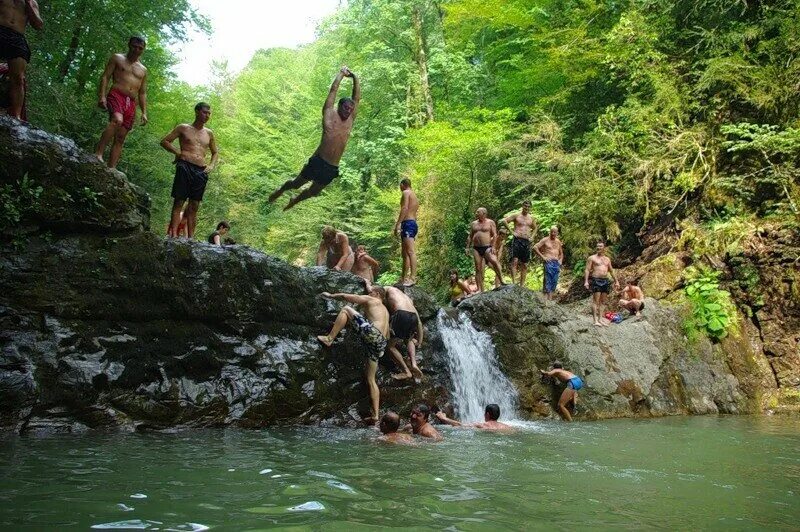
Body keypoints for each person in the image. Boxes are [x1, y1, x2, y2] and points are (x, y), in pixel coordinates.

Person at [268, 66, 360, 211]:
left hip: (332, 167)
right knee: (296, 184)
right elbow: (333, 91)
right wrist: (341, 74)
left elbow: (356, 98)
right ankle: (281, 190)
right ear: (339, 106)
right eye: (346, 108)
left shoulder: (350, 121)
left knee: (314, 192)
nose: (349, 111)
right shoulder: (329, 113)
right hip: (319, 161)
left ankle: (295, 200)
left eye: (351, 109)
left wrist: (355, 78)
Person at [317, 287, 389, 423]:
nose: (368, 293)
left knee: (346, 309)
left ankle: (329, 338)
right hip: (381, 343)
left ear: (377, 294)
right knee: (371, 379)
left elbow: (347, 296)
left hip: (373, 334)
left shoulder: (373, 299)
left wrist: (331, 295)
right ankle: (376, 415)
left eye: (371, 292)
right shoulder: (385, 310)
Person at [162, 102, 219, 239]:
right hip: (185, 165)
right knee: (179, 201)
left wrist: (211, 166)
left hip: (201, 170)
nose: (207, 116)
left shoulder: (209, 133)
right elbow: (165, 141)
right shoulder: (183, 128)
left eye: (209, 113)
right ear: (197, 112)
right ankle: (174, 235)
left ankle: (191, 238)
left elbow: (215, 152)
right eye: (205, 112)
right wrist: (177, 152)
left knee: (194, 205)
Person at [93, 36, 149, 168]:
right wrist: (102, 96)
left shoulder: (143, 69)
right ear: (129, 45)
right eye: (135, 46)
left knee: (121, 136)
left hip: (131, 102)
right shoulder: (117, 58)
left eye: (140, 48)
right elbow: (105, 76)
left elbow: (142, 92)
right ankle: (98, 153)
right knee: (117, 120)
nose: (137, 50)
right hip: (116, 94)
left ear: (143, 50)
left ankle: (111, 168)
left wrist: (144, 112)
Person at [0, 0, 42, 120]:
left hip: (17, 37)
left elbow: (38, 24)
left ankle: (17, 117)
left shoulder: (32, 2)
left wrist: (29, 5)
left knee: (18, 78)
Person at [383, 285, 424, 381]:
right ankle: (414, 364)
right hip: (412, 316)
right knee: (408, 339)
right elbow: (419, 323)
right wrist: (419, 341)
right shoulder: (408, 299)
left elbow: (377, 295)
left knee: (390, 346)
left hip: (401, 314)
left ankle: (406, 371)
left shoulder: (388, 289)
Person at [465, 208, 506, 293]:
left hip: (487, 247)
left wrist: (493, 247)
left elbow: (495, 234)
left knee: (494, 261)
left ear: (483, 213)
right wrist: (467, 247)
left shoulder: (490, 222)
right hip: (476, 248)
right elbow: (470, 236)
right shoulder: (474, 224)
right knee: (478, 268)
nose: (476, 213)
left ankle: (501, 280)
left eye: (478, 212)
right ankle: (480, 289)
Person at [501, 200, 536, 287]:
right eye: (525, 206)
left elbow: (535, 228)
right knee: (515, 261)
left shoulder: (531, 218)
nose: (526, 208)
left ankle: (522, 285)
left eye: (528, 206)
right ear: (522, 206)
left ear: (530, 207)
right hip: (517, 240)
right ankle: (513, 283)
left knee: (524, 264)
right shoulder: (516, 215)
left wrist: (532, 237)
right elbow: (504, 221)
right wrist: (511, 231)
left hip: (526, 241)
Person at [584, 241, 619, 326]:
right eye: (597, 246)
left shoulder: (607, 259)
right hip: (596, 280)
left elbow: (611, 271)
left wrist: (616, 281)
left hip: (605, 280)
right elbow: (587, 270)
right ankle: (595, 320)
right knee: (596, 301)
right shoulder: (592, 258)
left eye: (600, 246)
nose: (598, 248)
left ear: (604, 248)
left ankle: (600, 319)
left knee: (603, 301)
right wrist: (586, 281)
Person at [394, 178, 419, 286]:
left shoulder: (406, 192)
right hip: (411, 223)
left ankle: (413, 277)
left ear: (402, 184)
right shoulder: (414, 195)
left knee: (410, 251)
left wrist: (398, 224)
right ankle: (403, 278)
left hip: (408, 223)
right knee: (404, 253)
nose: (400, 188)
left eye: (400, 186)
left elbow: (404, 208)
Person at [534, 225, 564, 301]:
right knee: (548, 280)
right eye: (552, 232)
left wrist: (560, 260)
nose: (553, 233)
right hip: (548, 262)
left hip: (556, 263)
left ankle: (549, 300)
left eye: (555, 232)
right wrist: (543, 257)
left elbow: (561, 253)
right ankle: (545, 300)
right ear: (550, 232)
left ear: (557, 233)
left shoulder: (558, 241)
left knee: (554, 280)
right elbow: (535, 247)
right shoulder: (545, 240)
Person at [435, 404, 514, 432]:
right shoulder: (507, 427)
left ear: (487, 414)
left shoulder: (482, 425)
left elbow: (460, 425)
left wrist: (444, 418)